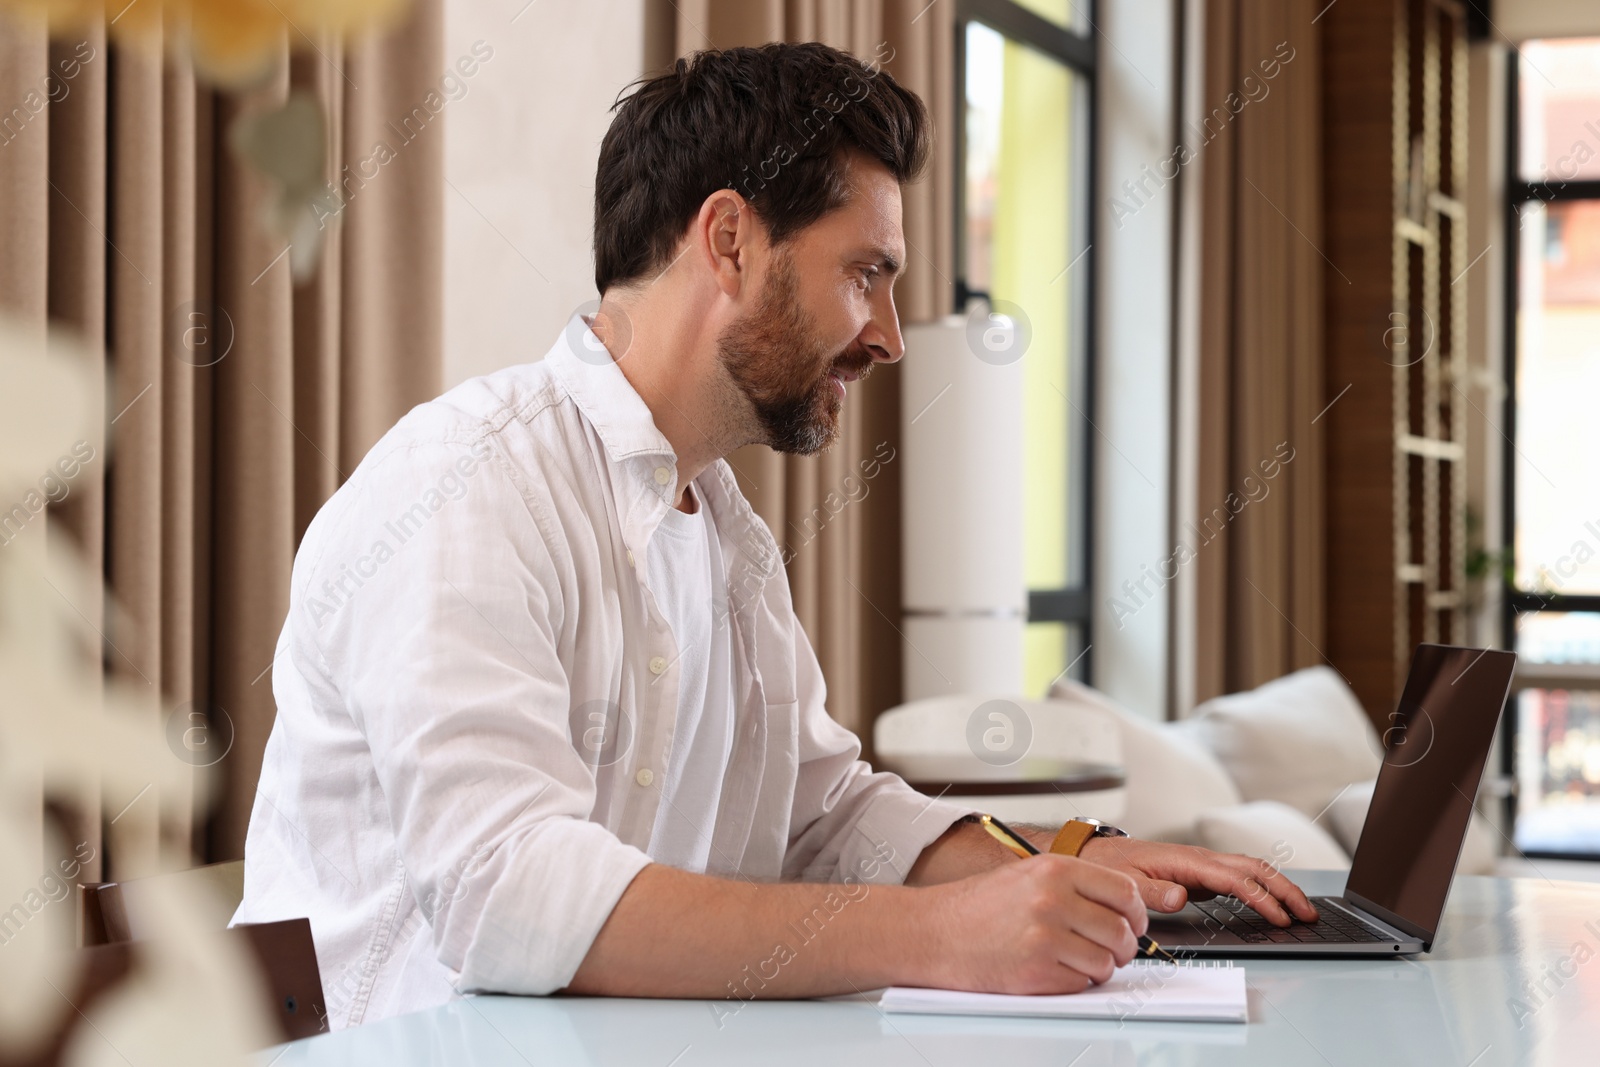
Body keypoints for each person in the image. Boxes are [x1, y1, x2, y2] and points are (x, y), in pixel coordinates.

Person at [234, 40, 1317, 1029]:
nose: (889, 339)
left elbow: (824, 813)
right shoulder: (466, 484)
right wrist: (949, 938)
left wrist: (1088, 864)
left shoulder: (724, 534)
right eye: (865, 274)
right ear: (729, 240)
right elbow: (505, 892)